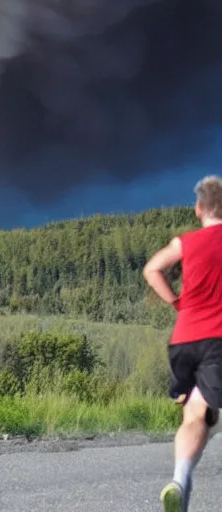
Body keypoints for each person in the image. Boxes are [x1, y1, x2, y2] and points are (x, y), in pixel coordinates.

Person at [143, 175, 222, 512]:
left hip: (184, 339)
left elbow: (151, 269)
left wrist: (177, 303)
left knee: (194, 414)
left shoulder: (185, 243)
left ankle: (179, 480)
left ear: (198, 209)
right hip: (217, 339)